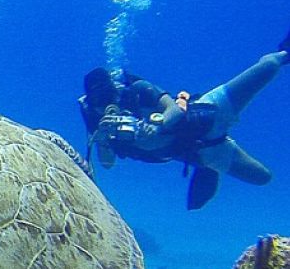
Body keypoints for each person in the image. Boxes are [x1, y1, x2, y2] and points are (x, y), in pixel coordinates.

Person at [79, 31, 290, 209]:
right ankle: (208, 169)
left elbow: (174, 109)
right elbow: (107, 164)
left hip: (208, 113)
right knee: (262, 177)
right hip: (202, 152)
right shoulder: (96, 121)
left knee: (269, 66)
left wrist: (159, 124)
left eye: (109, 96)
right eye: (98, 101)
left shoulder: (137, 90)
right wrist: (104, 140)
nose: (106, 105)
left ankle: (284, 51)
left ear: (115, 88)